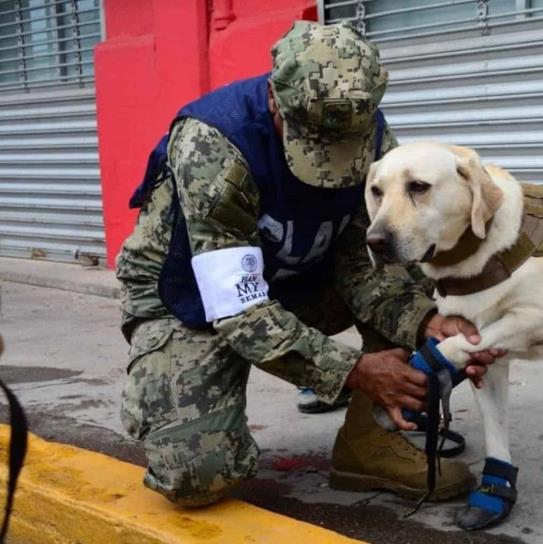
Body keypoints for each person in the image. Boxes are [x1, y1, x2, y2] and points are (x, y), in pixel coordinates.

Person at [115, 20, 498, 507]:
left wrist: (428, 322)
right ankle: (208, 400)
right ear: (275, 100)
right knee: (197, 476)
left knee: (408, 260)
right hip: (186, 302)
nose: (334, 164)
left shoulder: (372, 136)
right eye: (316, 144)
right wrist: (350, 370)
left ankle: (368, 441)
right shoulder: (214, 144)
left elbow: (366, 264)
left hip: (294, 284)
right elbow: (236, 306)